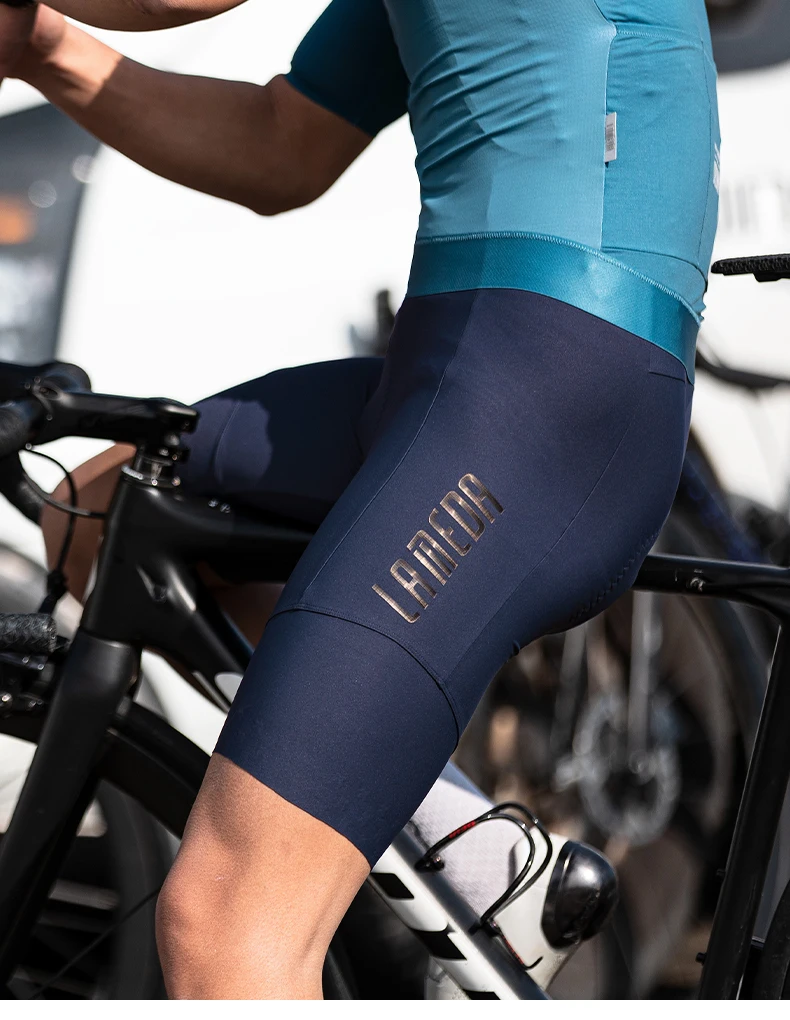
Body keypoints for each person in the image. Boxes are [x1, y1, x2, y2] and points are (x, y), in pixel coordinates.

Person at [2, 0, 720, 999]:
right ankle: (477, 853)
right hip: (460, 375)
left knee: (224, 923)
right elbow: (281, 145)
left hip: (544, 395)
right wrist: (42, 47)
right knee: (101, 508)